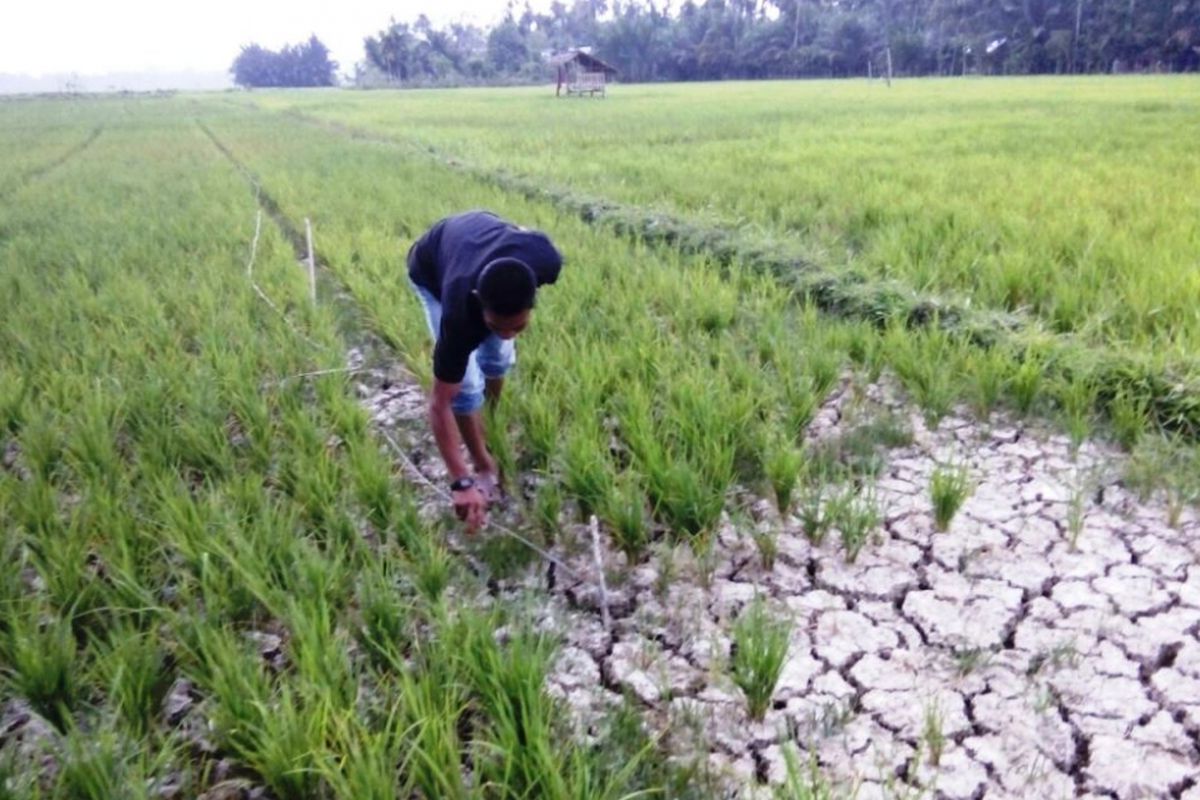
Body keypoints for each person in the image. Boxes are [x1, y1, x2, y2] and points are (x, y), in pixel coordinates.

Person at [407, 210, 562, 532]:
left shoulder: (545, 260)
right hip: (431, 267)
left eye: (518, 326)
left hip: (480, 231)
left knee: (498, 358)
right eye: (496, 325)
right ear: (479, 303)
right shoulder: (459, 314)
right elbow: (439, 403)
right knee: (465, 386)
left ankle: (490, 415)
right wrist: (461, 481)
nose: (507, 332)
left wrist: (509, 234)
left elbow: (528, 234)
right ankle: (482, 461)